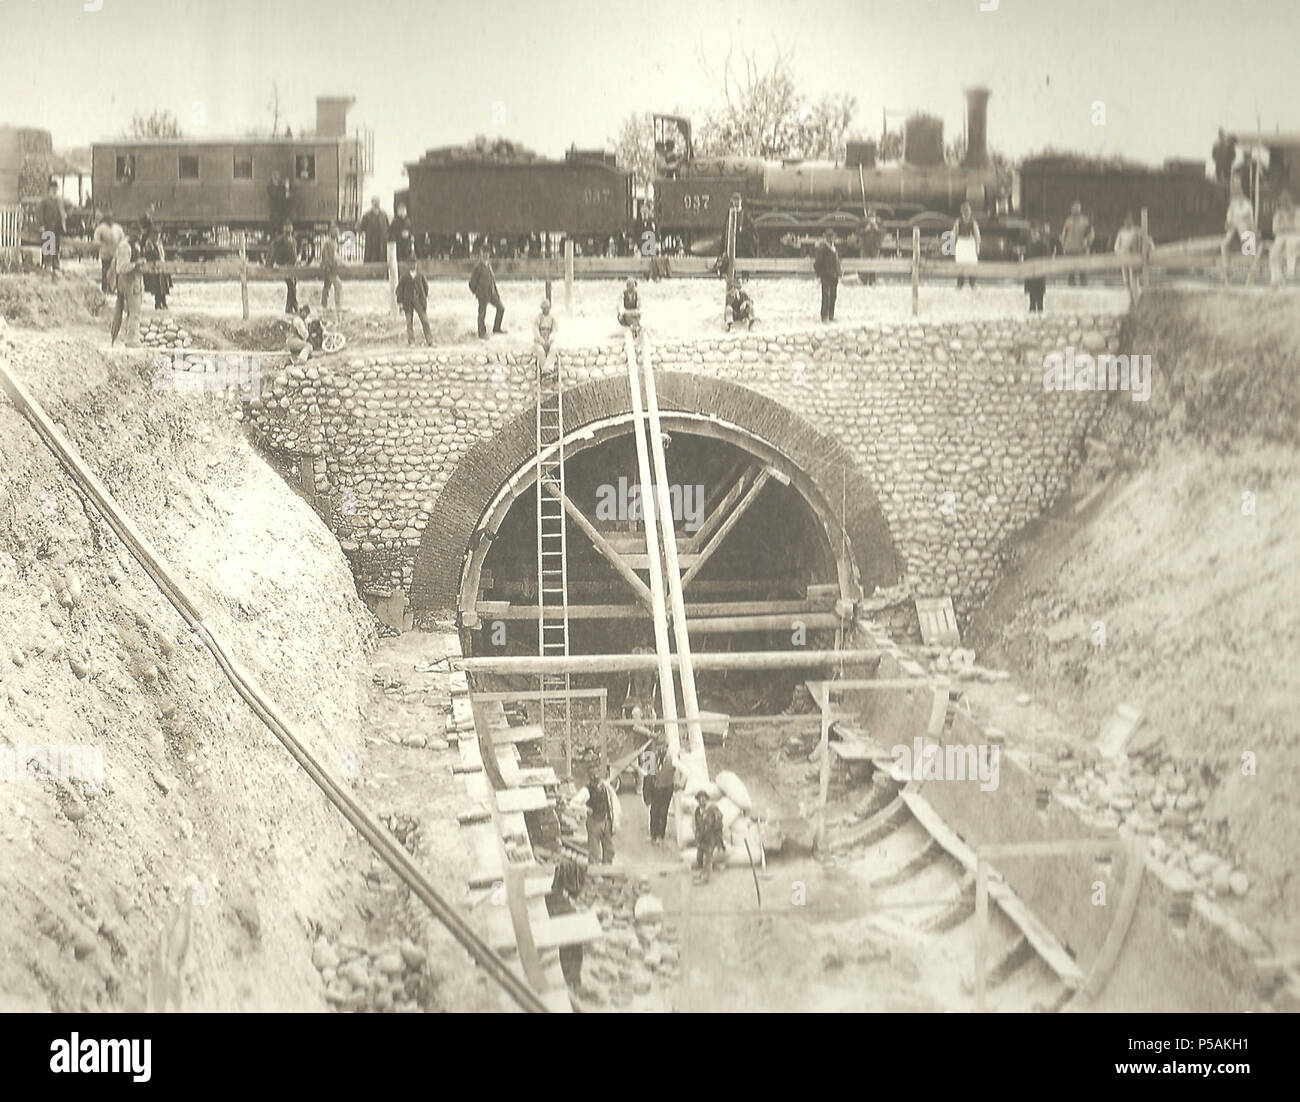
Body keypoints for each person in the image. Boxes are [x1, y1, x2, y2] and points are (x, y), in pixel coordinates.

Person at [1221, 176, 1259, 286]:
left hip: (1245, 227)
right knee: (1224, 245)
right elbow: (1229, 217)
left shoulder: (1247, 203)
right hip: (1234, 228)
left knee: (1248, 245)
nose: (1235, 193)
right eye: (1234, 191)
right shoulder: (1232, 204)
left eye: (1237, 190)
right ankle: (1228, 275)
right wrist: (1229, 222)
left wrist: (1236, 220)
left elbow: (1248, 217)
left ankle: (1250, 278)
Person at [111, 224, 144, 347]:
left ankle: (124, 337)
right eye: (137, 234)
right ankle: (131, 340)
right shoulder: (125, 246)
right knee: (134, 311)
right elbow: (121, 267)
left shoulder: (134, 246)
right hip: (128, 281)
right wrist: (136, 264)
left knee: (127, 311)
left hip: (132, 280)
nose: (139, 237)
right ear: (131, 232)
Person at [580, 766, 617, 865]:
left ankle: (607, 870)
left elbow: (613, 803)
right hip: (594, 823)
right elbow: (573, 804)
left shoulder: (606, 788)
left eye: (597, 774)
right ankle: (594, 875)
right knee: (594, 851)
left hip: (606, 822)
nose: (595, 777)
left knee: (609, 849)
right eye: (592, 775)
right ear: (589, 777)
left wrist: (613, 820)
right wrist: (586, 809)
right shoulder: (586, 790)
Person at [468, 244, 505, 338]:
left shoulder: (488, 265)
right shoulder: (478, 267)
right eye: (484, 253)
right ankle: (481, 333)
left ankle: (496, 328)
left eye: (487, 253)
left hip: (491, 293)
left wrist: (496, 292)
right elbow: (471, 283)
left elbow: (492, 280)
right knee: (482, 313)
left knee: (501, 308)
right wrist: (477, 292)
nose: (486, 255)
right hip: (482, 294)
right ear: (481, 254)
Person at [395, 257, 432, 345]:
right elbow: (399, 290)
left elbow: (426, 287)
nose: (413, 265)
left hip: (419, 301)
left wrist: (423, 297)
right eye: (411, 263)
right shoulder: (404, 276)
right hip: (408, 302)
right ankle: (411, 341)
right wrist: (400, 302)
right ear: (408, 265)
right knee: (409, 322)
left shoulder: (420, 274)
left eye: (414, 263)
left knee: (425, 321)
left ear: (417, 264)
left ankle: (430, 340)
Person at [1059, 200, 1094, 286]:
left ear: (1080, 209)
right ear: (1071, 210)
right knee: (1070, 267)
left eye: (1077, 208)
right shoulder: (1068, 221)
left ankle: (1083, 282)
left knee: (1082, 266)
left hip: (1081, 248)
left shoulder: (1085, 221)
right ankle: (1071, 282)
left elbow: (1091, 234)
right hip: (1070, 247)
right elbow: (1064, 234)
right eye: (1074, 208)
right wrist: (1063, 245)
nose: (1075, 211)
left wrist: (1088, 242)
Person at [1113, 212, 1146, 303]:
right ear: (1124, 221)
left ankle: (1137, 300)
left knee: (1134, 280)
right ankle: (1129, 299)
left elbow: (1145, 243)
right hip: (1124, 258)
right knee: (1126, 280)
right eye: (1126, 219)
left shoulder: (1137, 231)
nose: (1128, 221)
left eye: (1130, 219)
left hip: (1134, 258)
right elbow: (1116, 246)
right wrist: (1119, 254)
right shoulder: (1121, 231)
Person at [140, 217, 172, 310]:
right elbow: (149, 255)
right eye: (155, 234)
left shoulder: (159, 243)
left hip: (161, 266)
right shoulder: (149, 244)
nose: (157, 236)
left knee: (163, 286)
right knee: (158, 286)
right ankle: (158, 303)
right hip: (154, 267)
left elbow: (162, 254)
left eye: (158, 234)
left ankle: (163, 302)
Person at [693, 789, 724, 883]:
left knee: (708, 858)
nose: (702, 800)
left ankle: (706, 878)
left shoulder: (712, 809)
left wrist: (718, 838)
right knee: (699, 858)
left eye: (704, 798)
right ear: (697, 800)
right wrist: (697, 837)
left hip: (711, 837)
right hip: (702, 838)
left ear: (707, 799)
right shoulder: (697, 812)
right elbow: (697, 825)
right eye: (700, 798)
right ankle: (702, 873)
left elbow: (719, 823)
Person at [648, 742, 677, 846]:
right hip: (656, 789)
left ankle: (660, 836)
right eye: (659, 747)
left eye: (663, 747)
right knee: (653, 812)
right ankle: (653, 835)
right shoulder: (652, 758)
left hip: (667, 788)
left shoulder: (672, 759)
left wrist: (679, 782)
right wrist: (648, 793)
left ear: (667, 747)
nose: (661, 749)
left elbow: (680, 771)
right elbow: (649, 776)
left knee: (663, 812)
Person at [1269, 190, 1298, 286]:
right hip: (1281, 237)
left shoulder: (1297, 211)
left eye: (1287, 201)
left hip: (1295, 236)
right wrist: (1287, 227)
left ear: (1291, 201)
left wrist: (1284, 227)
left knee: (1291, 244)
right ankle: (1275, 278)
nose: (1285, 204)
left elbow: (1298, 228)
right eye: (1283, 201)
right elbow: (1274, 229)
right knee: (1274, 253)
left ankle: (1290, 273)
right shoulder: (1278, 213)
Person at [270, 220, 299, 314]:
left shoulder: (293, 240)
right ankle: (294, 305)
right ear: (284, 229)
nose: (289, 229)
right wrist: (272, 264)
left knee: (292, 285)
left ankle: (289, 307)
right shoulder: (280, 241)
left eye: (290, 227)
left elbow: (294, 255)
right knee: (291, 284)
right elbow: (274, 253)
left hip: (292, 266)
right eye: (287, 227)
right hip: (284, 266)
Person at [1022, 222, 1051, 313]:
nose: (1034, 235)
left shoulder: (1043, 244)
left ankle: (1040, 306)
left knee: (1039, 289)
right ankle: (1032, 306)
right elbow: (1026, 256)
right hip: (1030, 270)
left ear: (1038, 234)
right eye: (1032, 233)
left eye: (1035, 233)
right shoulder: (1029, 244)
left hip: (1039, 269)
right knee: (1031, 289)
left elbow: (1046, 256)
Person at [93, 211, 124, 294]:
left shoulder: (118, 228)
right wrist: (102, 245)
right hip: (105, 253)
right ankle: (105, 288)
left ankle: (113, 288)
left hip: (116, 253)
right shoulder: (100, 228)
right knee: (105, 271)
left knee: (115, 271)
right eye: (108, 219)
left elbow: (122, 239)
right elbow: (96, 240)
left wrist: (120, 248)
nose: (110, 220)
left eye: (111, 218)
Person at [39, 181, 65, 278]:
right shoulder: (44, 200)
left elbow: (62, 212)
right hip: (48, 226)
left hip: (57, 227)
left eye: (56, 189)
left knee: (56, 246)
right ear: (49, 189)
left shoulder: (59, 200)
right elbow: (40, 213)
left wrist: (63, 221)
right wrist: (41, 224)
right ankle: (47, 264)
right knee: (48, 245)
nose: (54, 190)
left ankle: (56, 264)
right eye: (53, 189)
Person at [952, 201, 981, 290]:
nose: (966, 212)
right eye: (965, 210)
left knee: (970, 263)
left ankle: (971, 283)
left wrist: (977, 246)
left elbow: (976, 235)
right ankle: (961, 283)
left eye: (967, 210)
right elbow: (955, 234)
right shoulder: (959, 221)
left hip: (968, 243)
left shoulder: (971, 222)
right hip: (963, 243)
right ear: (962, 211)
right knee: (962, 263)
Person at [813, 229, 841, 322]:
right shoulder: (822, 248)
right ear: (825, 237)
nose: (831, 238)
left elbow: (837, 262)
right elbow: (817, 263)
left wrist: (839, 272)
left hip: (834, 275)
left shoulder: (833, 247)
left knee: (833, 296)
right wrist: (819, 275)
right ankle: (824, 317)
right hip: (826, 275)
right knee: (826, 297)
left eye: (832, 236)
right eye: (829, 236)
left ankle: (831, 315)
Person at [320, 221, 343, 315]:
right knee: (338, 285)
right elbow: (333, 257)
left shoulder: (329, 242)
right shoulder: (331, 244)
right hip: (330, 268)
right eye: (337, 233)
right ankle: (338, 306)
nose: (338, 234)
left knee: (326, 287)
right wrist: (342, 263)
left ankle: (323, 306)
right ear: (334, 234)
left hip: (327, 267)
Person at [532, 297, 558, 379]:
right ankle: (546, 371)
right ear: (542, 309)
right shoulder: (538, 318)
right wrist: (539, 338)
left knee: (554, 348)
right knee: (540, 351)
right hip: (540, 340)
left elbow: (555, 330)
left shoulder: (553, 318)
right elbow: (535, 329)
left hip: (549, 339)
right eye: (544, 308)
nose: (546, 309)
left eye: (548, 308)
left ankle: (547, 369)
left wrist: (551, 338)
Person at [359, 197, 389, 264]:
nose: (376, 204)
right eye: (374, 202)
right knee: (371, 259)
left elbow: (387, 227)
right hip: (371, 242)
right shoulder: (367, 215)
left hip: (382, 241)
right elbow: (362, 227)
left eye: (377, 202)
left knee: (382, 258)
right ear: (372, 203)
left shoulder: (384, 214)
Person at [859, 210, 883, 285]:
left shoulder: (879, 223)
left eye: (873, 217)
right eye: (870, 217)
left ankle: (872, 281)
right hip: (865, 246)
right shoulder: (863, 223)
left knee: (874, 263)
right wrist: (865, 229)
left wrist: (877, 229)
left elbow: (883, 232)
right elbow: (858, 232)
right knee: (865, 263)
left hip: (875, 246)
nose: (871, 219)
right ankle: (864, 280)